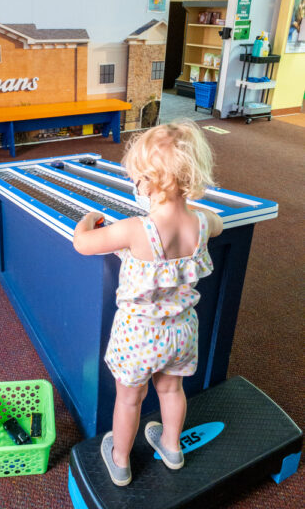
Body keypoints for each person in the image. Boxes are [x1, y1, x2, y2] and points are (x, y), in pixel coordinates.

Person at [73, 121, 223, 486]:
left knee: (129, 400)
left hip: (139, 335)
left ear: (151, 182)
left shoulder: (135, 229)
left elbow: (83, 243)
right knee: (171, 389)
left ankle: (120, 459)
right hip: (182, 331)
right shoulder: (202, 223)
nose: (136, 184)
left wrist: (87, 220)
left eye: (138, 178)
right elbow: (217, 223)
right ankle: (172, 447)